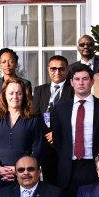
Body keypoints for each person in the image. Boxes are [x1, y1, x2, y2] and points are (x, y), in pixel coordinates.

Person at [49, 65, 99, 197]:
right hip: (69, 168)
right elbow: (57, 141)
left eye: (85, 79)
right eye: (77, 79)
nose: (81, 83)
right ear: (71, 82)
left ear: (92, 81)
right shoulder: (60, 109)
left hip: (97, 167)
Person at [0, 79, 45, 191]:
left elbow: (38, 148)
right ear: (4, 95)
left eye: (19, 93)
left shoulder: (33, 120)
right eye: (11, 93)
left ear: (24, 96)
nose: (15, 97)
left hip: (25, 176)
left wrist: (19, 169)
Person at [32, 55, 70, 184]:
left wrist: (57, 133)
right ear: (48, 70)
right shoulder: (40, 90)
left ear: (67, 70)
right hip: (44, 143)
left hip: (65, 142)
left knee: (65, 180)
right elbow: (35, 115)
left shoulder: (73, 89)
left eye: (61, 69)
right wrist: (44, 135)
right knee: (48, 181)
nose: (57, 72)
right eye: (53, 69)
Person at [0, 48, 33, 119]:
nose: (7, 65)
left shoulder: (25, 84)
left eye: (11, 61)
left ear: (16, 64)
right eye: (4, 62)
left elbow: (27, 107)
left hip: (19, 124)